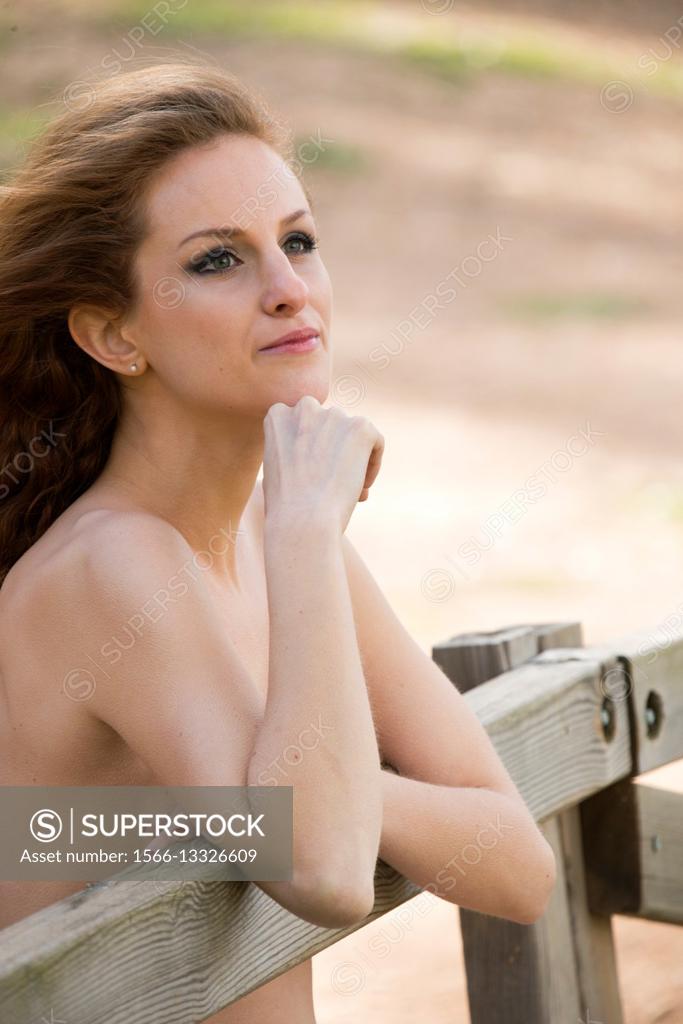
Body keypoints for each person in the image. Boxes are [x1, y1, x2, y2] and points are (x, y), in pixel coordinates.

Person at [0, 59, 556, 1023]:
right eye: (218, 259)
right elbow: (322, 868)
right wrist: (303, 530)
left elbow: (515, 864)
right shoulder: (113, 564)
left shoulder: (281, 543)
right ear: (112, 335)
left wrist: (334, 787)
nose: (289, 288)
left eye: (298, 241)